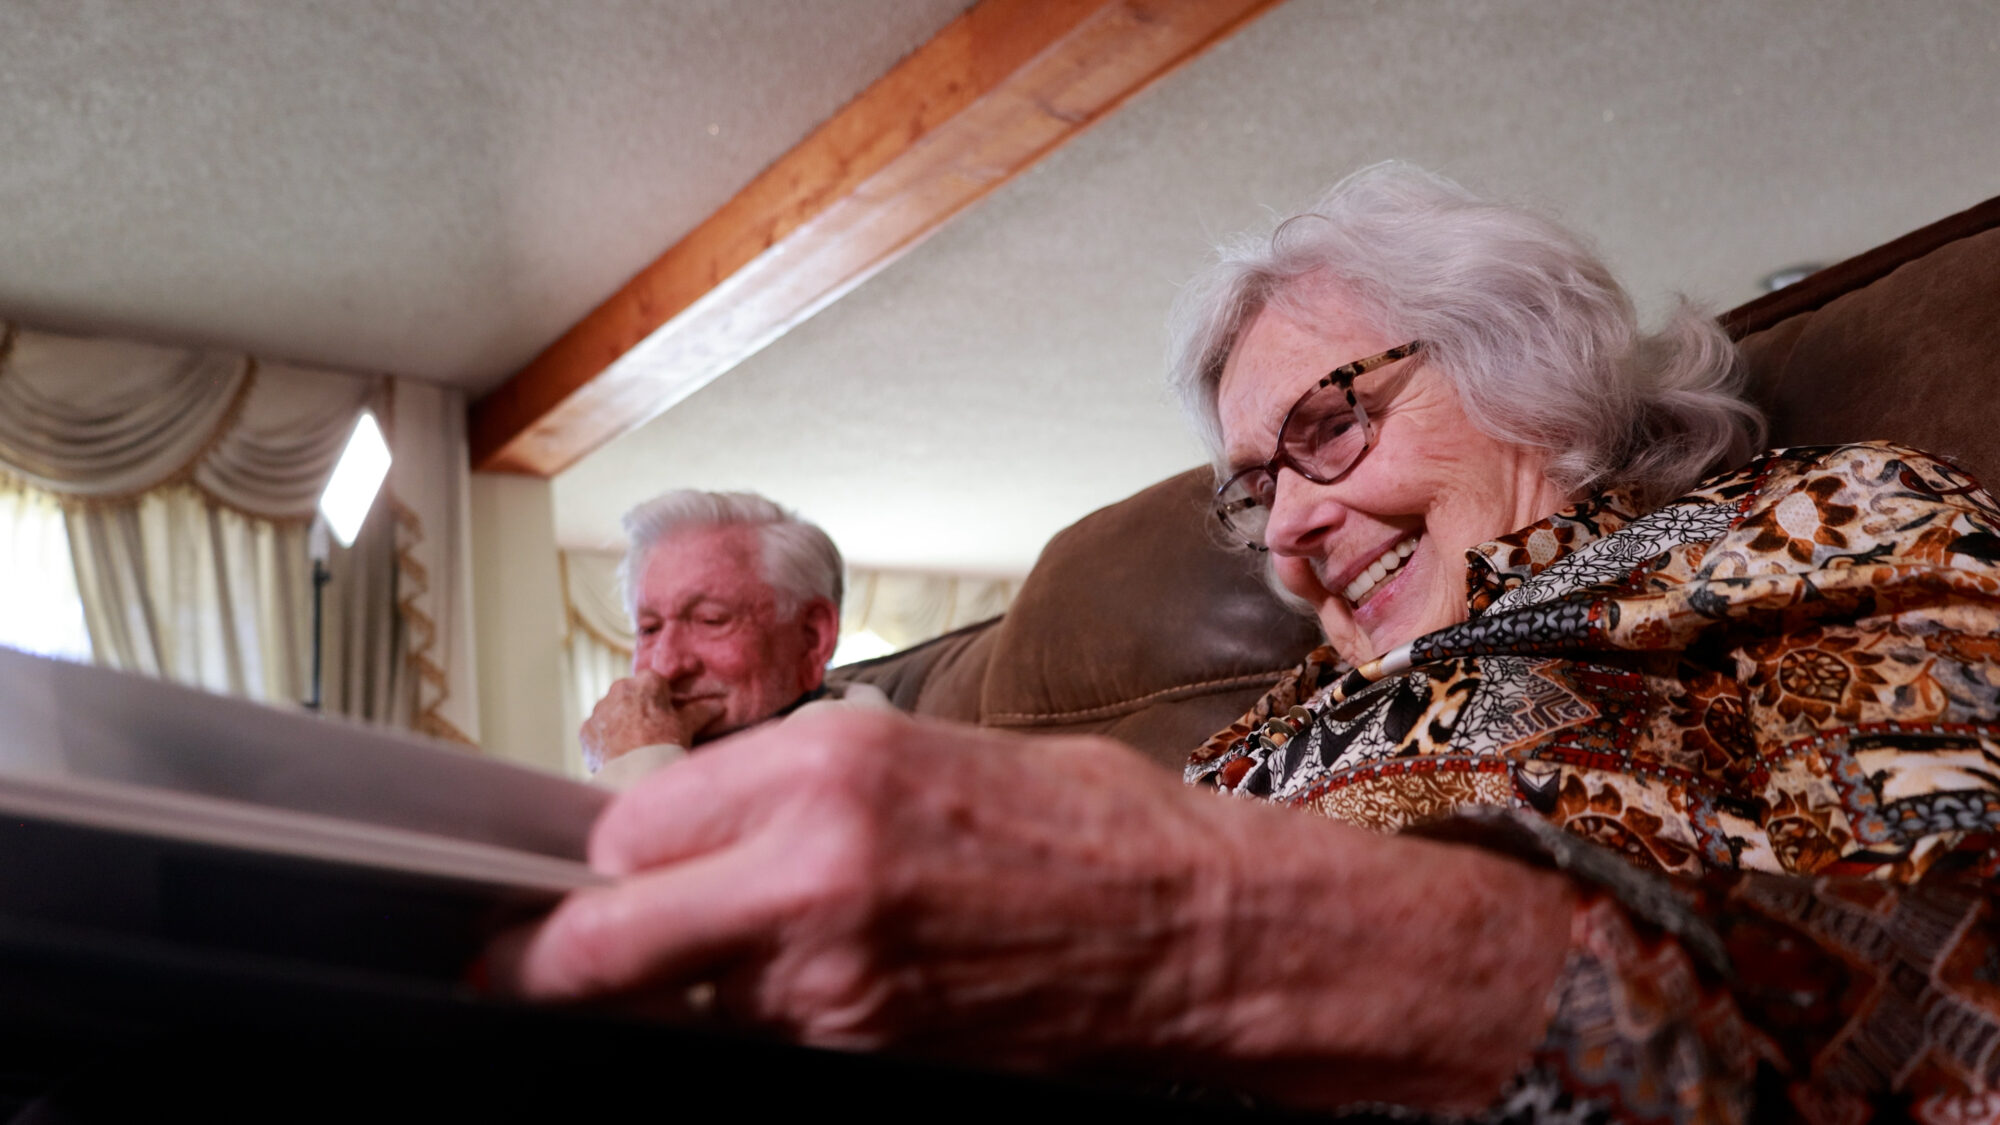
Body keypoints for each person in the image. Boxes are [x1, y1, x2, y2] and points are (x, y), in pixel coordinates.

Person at [501, 165, 2000, 1120]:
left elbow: (1953, 980)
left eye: (1327, 426)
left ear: (1527, 364)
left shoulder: (1808, 532)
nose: (1284, 532)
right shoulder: (1277, 714)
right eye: (1250, 489)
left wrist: (1205, 928)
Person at [579, 490, 844, 788]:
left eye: (710, 620)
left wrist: (635, 760)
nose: (665, 666)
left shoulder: (852, 758)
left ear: (813, 638)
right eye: (650, 629)